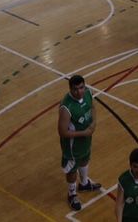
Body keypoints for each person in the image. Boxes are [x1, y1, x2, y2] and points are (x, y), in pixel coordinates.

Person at [58, 74, 102, 211]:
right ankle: (72, 194)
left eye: (81, 87)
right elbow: (62, 132)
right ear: (70, 89)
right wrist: (84, 133)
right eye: (76, 89)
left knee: (85, 159)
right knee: (72, 169)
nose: (79, 91)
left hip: (86, 139)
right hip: (72, 145)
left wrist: (94, 122)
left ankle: (84, 183)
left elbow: (92, 108)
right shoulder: (66, 107)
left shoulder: (88, 93)